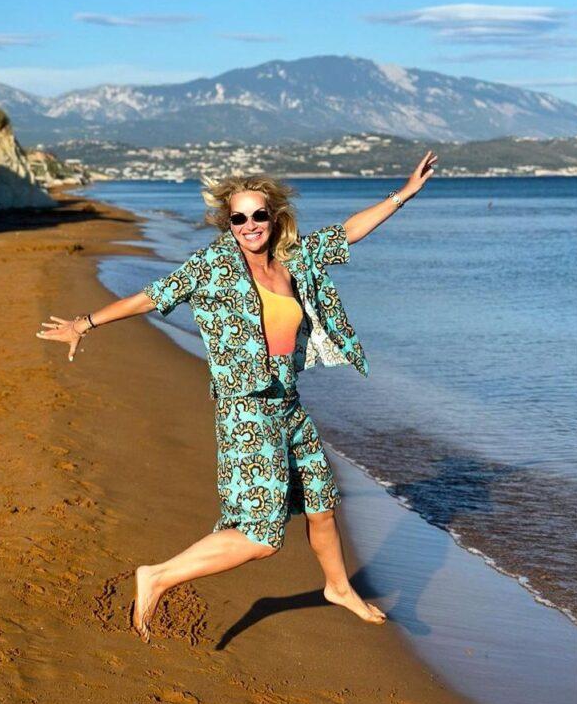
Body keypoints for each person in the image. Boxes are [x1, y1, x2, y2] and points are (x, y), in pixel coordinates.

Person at [36, 151, 438, 641]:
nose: (250, 226)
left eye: (258, 215)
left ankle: (338, 587)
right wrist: (85, 323)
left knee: (321, 502)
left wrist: (403, 194)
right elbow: (154, 295)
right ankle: (157, 576)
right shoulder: (215, 266)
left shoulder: (292, 259)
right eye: (239, 218)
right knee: (261, 537)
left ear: (275, 216)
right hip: (247, 409)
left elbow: (348, 232)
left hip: (286, 402)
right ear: (228, 223)